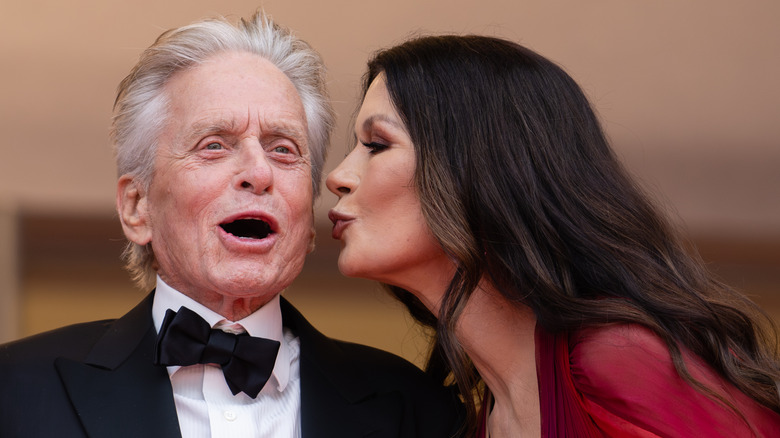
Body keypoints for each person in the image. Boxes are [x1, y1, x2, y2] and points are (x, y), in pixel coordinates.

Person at [0, 12, 461, 438]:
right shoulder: (15, 389)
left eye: (283, 149)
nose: (259, 174)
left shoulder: (416, 409)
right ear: (137, 207)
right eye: (214, 145)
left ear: (309, 224)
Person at [326, 35, 780, 437]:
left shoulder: (620, 359)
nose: (338, 177)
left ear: (478, 169)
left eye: (377, 145)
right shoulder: (483, 417)